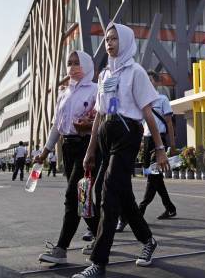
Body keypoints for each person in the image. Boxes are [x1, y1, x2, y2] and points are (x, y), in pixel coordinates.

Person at [73, 23, 169, 278]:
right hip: (106, 132)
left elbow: (148, 113)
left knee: (108, 195)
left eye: (114, 38)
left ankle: (99, 262)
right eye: (106, 39)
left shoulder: (136, 72)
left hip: (128, 134)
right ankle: (148, 240)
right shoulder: (104, 75)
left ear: (125, 41)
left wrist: (159, 148)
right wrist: (90, 149)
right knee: (121, 195)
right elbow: (99, 115)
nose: (109, 43)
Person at [36, 50, 100, 264]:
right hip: (68, 149)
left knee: (73, 196)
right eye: (69, 63)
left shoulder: (95, 90)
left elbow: (101, 121)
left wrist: (88, 126)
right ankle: (101, 237)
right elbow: (56, 125)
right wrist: (45, 152)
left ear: (87, 65)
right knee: (82, 198)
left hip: (87, 147)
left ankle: (61, 248)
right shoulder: (63, 93)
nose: (72, 67)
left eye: (77, 63)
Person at [116, 70, 177, 233]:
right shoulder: (141, 102)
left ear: (156, 83)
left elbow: (169, 123)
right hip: (147, 140)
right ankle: (170, 207)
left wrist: (171, 145)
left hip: (160, 141)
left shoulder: (162, 99)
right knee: (154, 177)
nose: (147, 84)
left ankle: (138, 211)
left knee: (153, 178)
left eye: (150, 81)